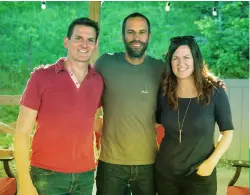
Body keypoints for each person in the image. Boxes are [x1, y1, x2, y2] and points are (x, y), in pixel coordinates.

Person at [14, 17, 103, 195]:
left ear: (95, 45)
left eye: (90, 40)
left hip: (85, 177)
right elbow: (22, 133)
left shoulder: (98, 81)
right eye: (78, 38)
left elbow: (90, 119)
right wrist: (24, 181)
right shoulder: (41, 77)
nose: (84, 44)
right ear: (66, 41)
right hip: (46, 176)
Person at [155, 36, 234, 195]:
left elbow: (227, 132)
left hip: (200, 174)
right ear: (170, 62)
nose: (180, 63)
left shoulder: (214, 91)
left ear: (195, 59)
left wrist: (210, 163)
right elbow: (154, 125)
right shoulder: (164, 92)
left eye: (186, 57)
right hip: (165, 174)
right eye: (175, 58)